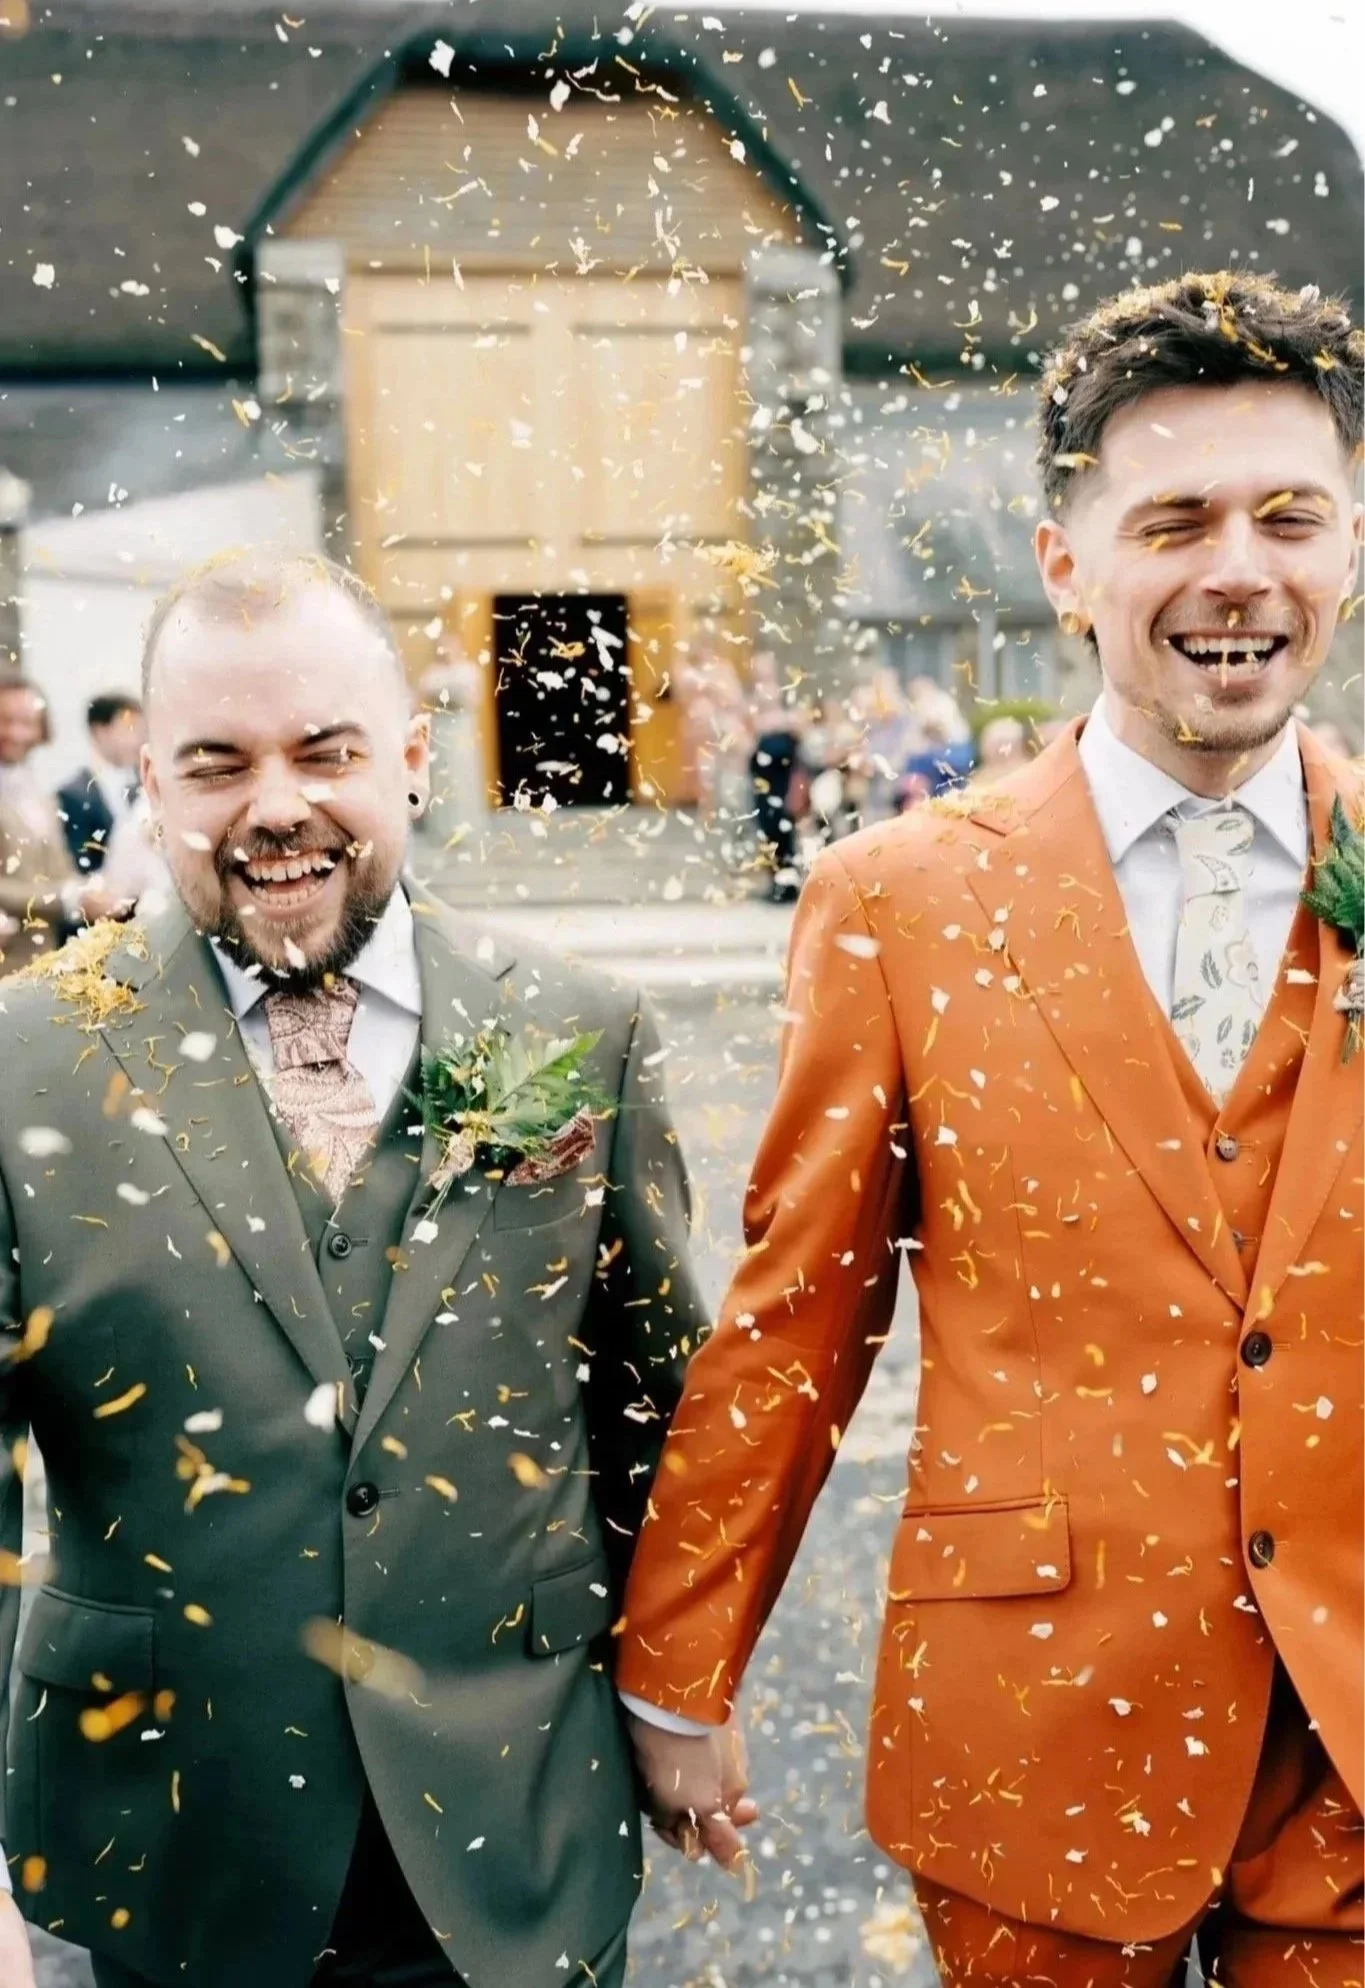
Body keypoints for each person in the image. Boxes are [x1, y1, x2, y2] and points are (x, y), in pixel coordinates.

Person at [616, 272, 1364, 1986]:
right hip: (1036, 1714)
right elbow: (798, 1315)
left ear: (1349, 550)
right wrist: (683, 1658)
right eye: (1172, 518)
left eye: (1288, 516)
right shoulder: (905, 897)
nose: (1236, 567)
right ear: (1066, 566)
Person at [0, 551, 709, 1988]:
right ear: (150, 783)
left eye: (325, 753)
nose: (278, 806)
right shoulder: (26, 1056)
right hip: (168, 1833)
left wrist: (684, 1696)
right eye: (217, 764)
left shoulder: (581, 1026)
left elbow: (663, 1412)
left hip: (518, 1814)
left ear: (408, 757)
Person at [0, 676, 93, 974]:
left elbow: (58, 866)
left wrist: (86, 891)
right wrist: (65, 899)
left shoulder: (42, 796)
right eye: (5, 720)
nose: (15, 732)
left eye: (27, 722)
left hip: (41, 961)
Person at [56, 690, 147, 875]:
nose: (137, 740)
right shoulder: (73, 795)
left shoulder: (148, 782)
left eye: (141, 730)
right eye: (127, 730)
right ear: (99, 732)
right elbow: (80, 866)